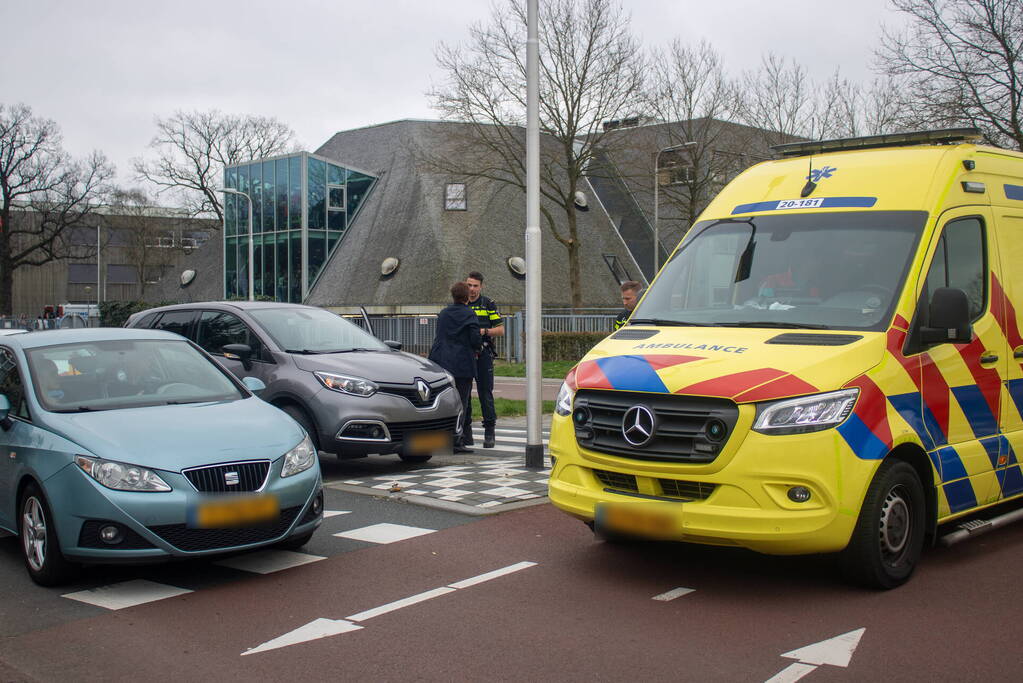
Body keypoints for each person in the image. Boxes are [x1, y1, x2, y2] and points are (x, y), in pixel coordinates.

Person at [429, 281, 482, 454]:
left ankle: (438, 438)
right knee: (461, 403)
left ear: (453, 296)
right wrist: (479, 348)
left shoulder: (443, 314)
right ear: (467, 296)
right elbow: (475, 340)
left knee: (441, 402)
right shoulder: (469, 314)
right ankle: (457, 441)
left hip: (441, 362)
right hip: (462, 364)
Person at [465, 271, 503, 448]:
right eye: (469, 285)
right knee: (464, 395)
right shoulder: (461, 303)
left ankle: (489, 432)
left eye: (475, 286)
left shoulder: (488, 304)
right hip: (464, 355)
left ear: (481, 287)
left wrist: (483, 331)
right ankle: (466, 433)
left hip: (484, 354)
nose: (471, 289)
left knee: (485, 393)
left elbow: (500, 330)